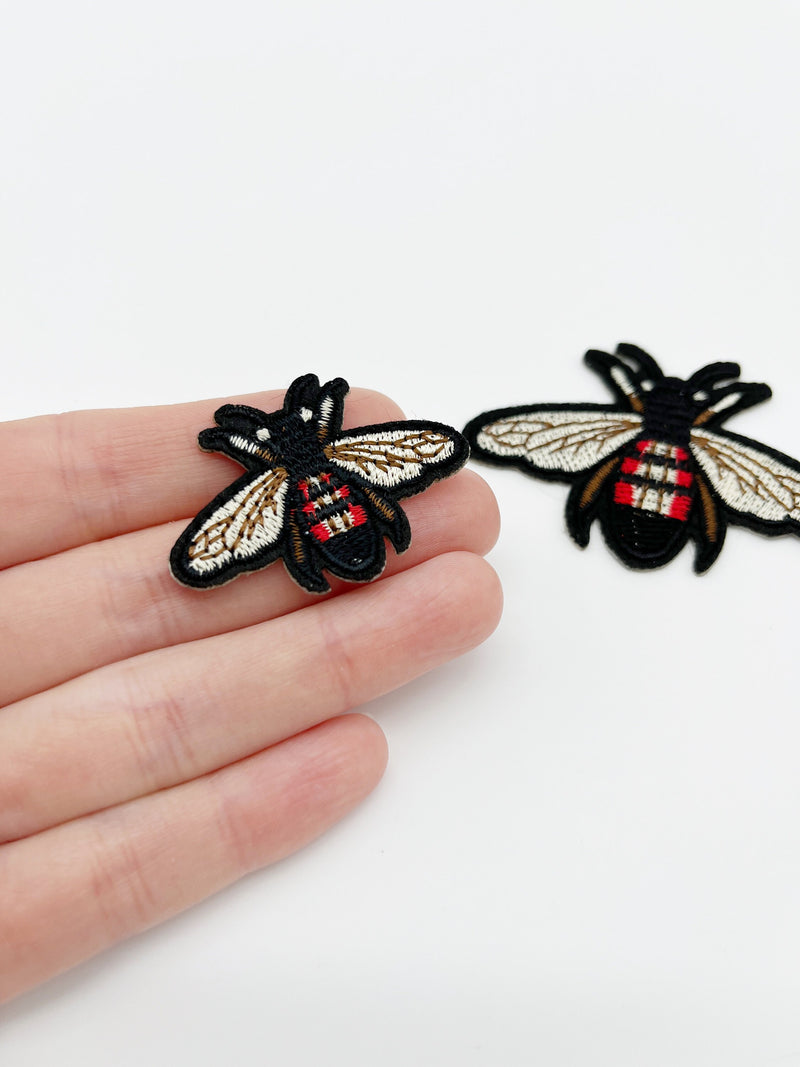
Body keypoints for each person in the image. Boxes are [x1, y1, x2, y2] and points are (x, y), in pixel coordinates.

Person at [0, 386, 502, 1001]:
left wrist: (230, 439)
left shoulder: (291, 476)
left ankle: (326, 556)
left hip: (326, 524)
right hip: (339, 515)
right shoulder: (328, 461)